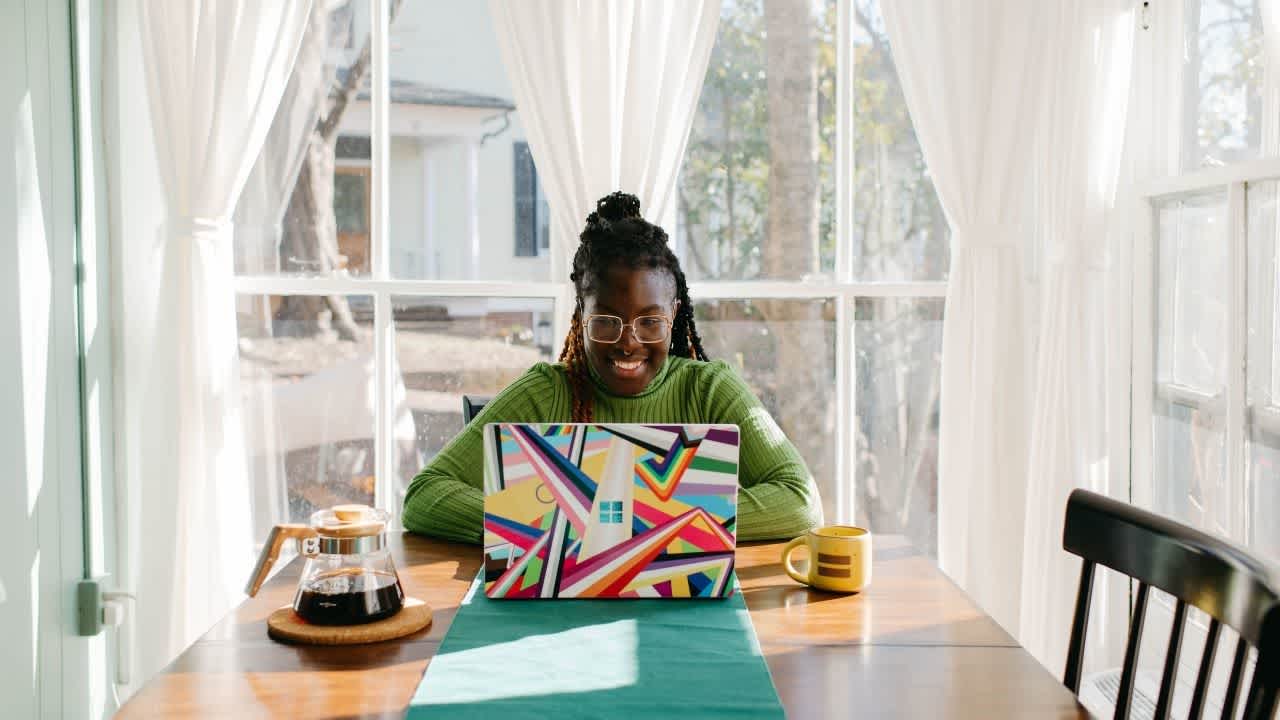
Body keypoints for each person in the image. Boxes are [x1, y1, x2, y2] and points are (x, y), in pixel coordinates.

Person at [402, 191, 823, 544]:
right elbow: (424, 496)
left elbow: (800, 501)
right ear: (581, 314)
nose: (628, 341)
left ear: (673, 315)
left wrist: (631, 526)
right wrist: (550, 526)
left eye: (650, 322)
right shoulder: (547, 392)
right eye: (606, 320)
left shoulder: (708, 389)